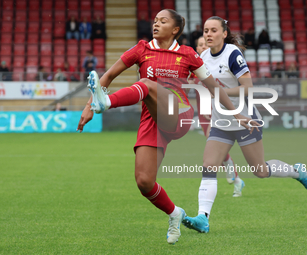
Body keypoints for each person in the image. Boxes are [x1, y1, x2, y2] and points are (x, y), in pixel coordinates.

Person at [77, 10, 257, 245]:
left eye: (163, 21)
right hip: (152, 119)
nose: (156, 24)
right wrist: (89, 106)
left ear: (175, 30)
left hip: (178, 113)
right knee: (144, 181)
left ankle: (108, 102)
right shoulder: (141, 49)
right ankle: (175, 214)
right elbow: (109, 75)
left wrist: (236, 113)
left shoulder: (188, 54)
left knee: (146, 83)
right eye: (154, 21)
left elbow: (213, 87)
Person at [183, 16, 306, 234]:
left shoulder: (232, 54)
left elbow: (247, 88)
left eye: (213, 30)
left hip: (245, 120)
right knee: (209, 166)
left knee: (260, 170)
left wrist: (218, 91)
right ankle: (203, 218)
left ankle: (298, 172)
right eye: (205, 31)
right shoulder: (202, 56)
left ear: (223, 33)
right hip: (221, 122)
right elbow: (205, 84)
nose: (208, 34)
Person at [193, 36, 244, 197]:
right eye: (199, 45)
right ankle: (236, 179)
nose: (202, 47)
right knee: (214, 149)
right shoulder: (194, 66)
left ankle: (233, 175)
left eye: (204, 44)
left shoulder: (213, 65)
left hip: (217, 109)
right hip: (202, 112)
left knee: (213, 143)